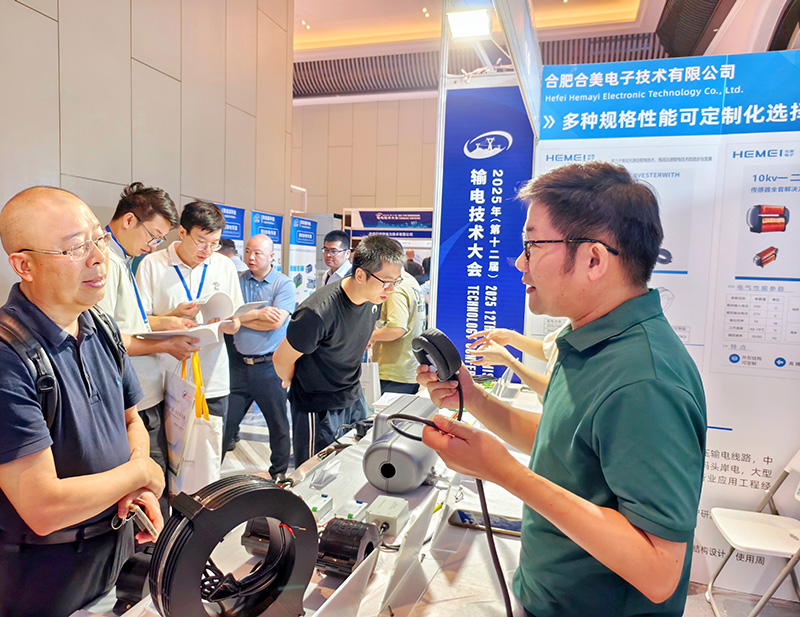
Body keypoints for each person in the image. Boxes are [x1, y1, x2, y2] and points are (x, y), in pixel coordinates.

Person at [418, 162, 706, 617]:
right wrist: (472, 399)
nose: (520, 262)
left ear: (594, 260)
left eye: (532, 245)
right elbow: (568, 447)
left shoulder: (645, 381)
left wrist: (506, 474)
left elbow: (658, 571)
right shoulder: (589, 340)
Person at [0, 187, 165, 617]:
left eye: (98, 239)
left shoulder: (99, 327)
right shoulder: (8, 357)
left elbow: (131, 421)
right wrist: (141, 472)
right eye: (75, 247)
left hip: (114, 556)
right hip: (43, 580)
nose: (97, 257)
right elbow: (43, 507)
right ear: (24, 265)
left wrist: (135, 486)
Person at [98, 182, 200, 516]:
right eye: (153, 235)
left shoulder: (123, 258)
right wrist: (168, 344)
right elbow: (109, 339)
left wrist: (167, 321)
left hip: (143, 393)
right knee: (150, 489)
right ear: (129, 220)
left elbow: (127, 321)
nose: (152, 245)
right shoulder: (106, 262)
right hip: (131, 400)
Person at [274, 234, 404, 466]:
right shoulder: (317, 312)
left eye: (396, 281)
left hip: (352, 396)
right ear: (360, 275)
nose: (391, 289)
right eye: (386, 281)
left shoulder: (373, 299)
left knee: (354, 463)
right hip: (318, 405)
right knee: (314, 472)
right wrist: (298, 381)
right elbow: (281, 359)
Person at [136, 200, 243, 441]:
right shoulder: (152, 264)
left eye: (214, 243)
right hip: (165, 380)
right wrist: (174, 315)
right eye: (201, 242)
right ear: (182, 232)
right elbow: (139, 323)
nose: (207, 251)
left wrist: (227, 324)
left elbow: (235, 321)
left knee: (209, 453)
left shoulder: (224, 266)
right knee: (166, 454)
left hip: (212, 379)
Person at [223, 235, 294, 481]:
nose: (251, 257)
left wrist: (241, 319)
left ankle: (279, 474)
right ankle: (208, 476)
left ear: (272, 256)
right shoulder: (237, 281)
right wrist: (257, 315)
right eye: (248, 251)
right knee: (226, 424)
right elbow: (227, 319)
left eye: (258, 253)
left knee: (278, 424)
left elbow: (275, 323)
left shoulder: (283, 284)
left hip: (269, 367)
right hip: (238, 366)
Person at [467, 322, 568, 398]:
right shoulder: (570, 324)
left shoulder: (576, 333)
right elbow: (548, 351)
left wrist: (508, 361)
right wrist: (511, 338)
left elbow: (553, 389)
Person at [370, 265, 426, 394]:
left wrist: (368, 336)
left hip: (394, 371)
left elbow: (396, 329)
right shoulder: (410, 281)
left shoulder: (395, 288)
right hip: (408, 366)